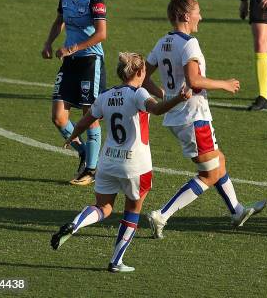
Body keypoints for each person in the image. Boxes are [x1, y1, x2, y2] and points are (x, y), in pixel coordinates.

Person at [50, 52, 190, 272]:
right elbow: (156, 109)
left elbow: (86, 120)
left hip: (107, 162)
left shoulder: (106, 95)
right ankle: (116, 261)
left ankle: (75, 224)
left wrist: (71, 136)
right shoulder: (139, 93)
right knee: (132, 212)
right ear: (140, 72)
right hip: (136, 165)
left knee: (103, 207)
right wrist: (177, 99)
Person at [144, 0, 266, 238]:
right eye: (198, 12)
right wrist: (225, 84)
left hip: (178, 116)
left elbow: (142, 75)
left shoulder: (163, 42)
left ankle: (237, 210)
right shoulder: (189, 44)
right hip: (192, 117)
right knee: (209, 174)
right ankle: (162, 215)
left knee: (218, 160)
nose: (201, 16)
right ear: (187, 16)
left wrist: (164, 94)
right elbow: (194, 80)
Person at [42, 0, 107, 185]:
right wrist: (48, 42)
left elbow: (102, 34)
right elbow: (59, 21)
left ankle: (91, 170)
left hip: (90, 61)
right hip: (69, 62)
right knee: (58, 117)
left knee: (90, 117)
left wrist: (73, 48)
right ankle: (83, 153)